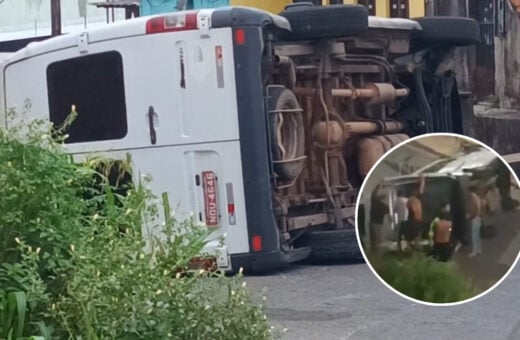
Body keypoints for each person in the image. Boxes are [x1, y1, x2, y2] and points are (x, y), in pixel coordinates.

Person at [406, 176, 425, 250]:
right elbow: (421, 190)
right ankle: (415, 249)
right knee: (416, 235)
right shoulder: (415, 199)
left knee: (411, 236)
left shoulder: (410, 200)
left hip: (413, 219)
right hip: (416, 219)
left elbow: (421, 190)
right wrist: (422, 180)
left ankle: (410, 248)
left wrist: (422, 180)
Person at [467, 184, 482, 257]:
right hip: (478, 218)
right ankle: (479, 249)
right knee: (477, 234)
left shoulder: (473, 198)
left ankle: (474, 251)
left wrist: (470, 216)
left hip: (475, 218)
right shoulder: (477, 197)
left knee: (474, 235)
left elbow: (477, 209)